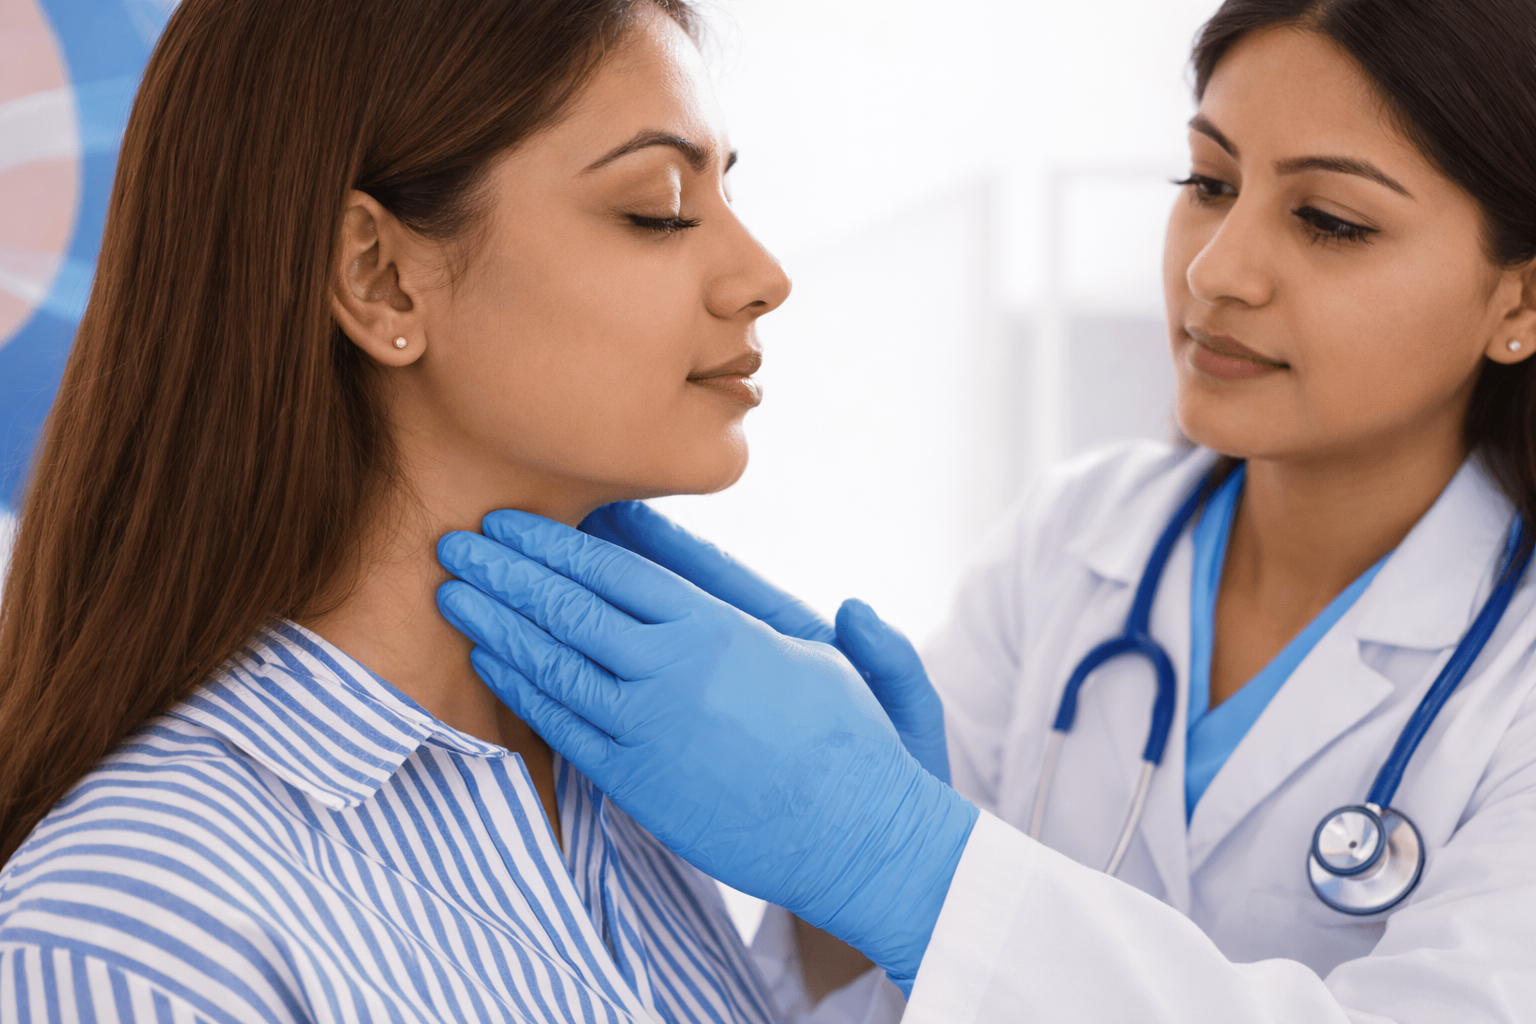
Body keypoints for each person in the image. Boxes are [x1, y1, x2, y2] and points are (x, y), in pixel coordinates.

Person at [433, 0, 1536, 1020]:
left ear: (1518, 299)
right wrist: (838, 894)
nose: (1217, 268)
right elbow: (857, 988)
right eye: (1207, 181)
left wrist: (905, 863)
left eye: (1331, 221)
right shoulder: (1076, 541)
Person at [0, 1, 815, 1021]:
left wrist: (846, 930)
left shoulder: (615, 804)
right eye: (658, 206)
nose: (762, 277)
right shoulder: (140, 923)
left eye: (726, 191)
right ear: (380, 279)